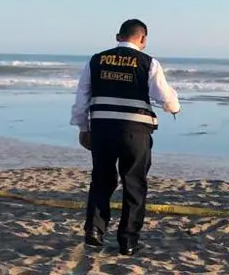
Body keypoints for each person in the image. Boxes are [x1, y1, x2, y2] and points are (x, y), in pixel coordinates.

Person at [70, 19, 181, 256]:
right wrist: (174, 107)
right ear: (143, 39)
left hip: (102, 129)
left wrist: (83, 128)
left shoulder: (96, 60)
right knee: (134, 184)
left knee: (101, 180)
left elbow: (81, 99)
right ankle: (128, 241)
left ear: (118, 36)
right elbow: (165, 97)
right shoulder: (149, 62)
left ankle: (95, 231)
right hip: (136, 132)